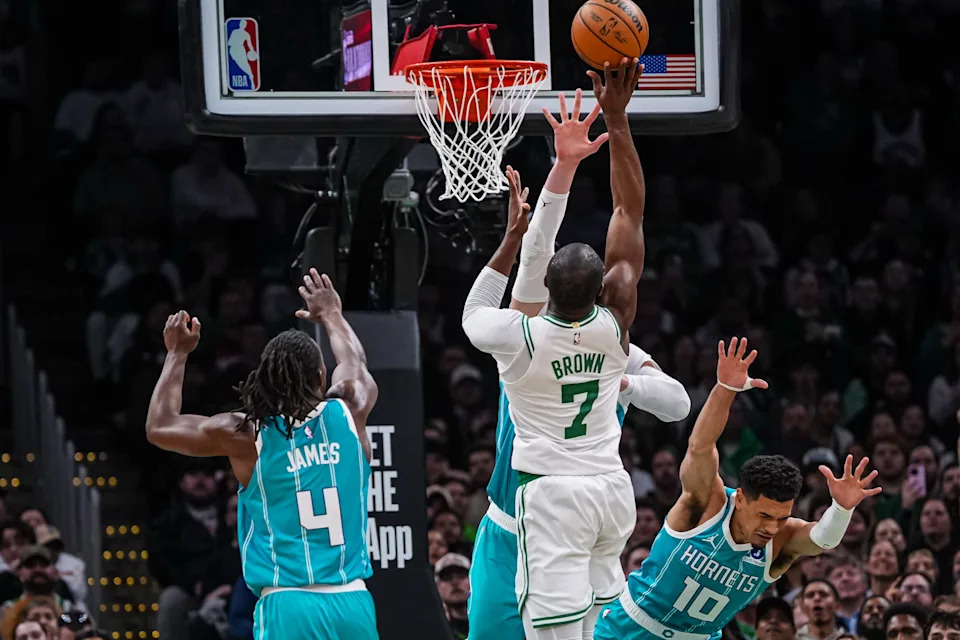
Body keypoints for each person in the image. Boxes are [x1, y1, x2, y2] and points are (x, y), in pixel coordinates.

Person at [465, 90, 690, 640]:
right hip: (562, 508)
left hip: (541, 502)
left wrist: (559, 173)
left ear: (545, 290)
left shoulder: (519, 335)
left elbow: (535, 251)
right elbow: (628, 213)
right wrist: (616, 117)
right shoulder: (616, 333)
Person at [144, 270, 379, 640]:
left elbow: (160, 427)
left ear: (265, 378)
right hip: (353, 601)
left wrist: (177, 354)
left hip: (289, 604)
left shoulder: (247, 434)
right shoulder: (351, 409)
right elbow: (355, 362)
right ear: (321, 376)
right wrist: (332, 314)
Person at [594, 338, 882, 640]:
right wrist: (725, 389)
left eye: (781, 517)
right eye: (765, 515)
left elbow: (824, 540)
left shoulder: (782, 538)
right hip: (629, 629)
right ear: (741, 498)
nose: (772, 527)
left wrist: (842, 508)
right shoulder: (707, 503)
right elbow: (700, 446)